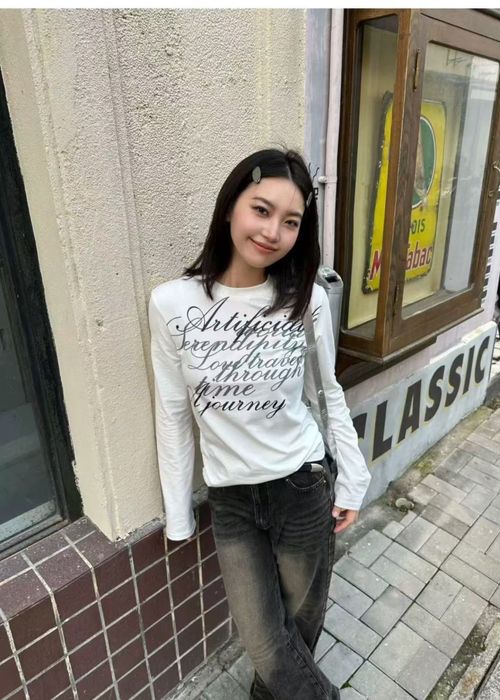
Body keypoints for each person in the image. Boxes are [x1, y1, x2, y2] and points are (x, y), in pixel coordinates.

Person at [148, 147, 371, 699]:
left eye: (291, 221)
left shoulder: (306, 300)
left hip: (302, 488)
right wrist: (178, 512)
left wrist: (353, 478)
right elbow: (172, 415)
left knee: (299, 631)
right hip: (232, 502)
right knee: (268, 644)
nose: (273, 232)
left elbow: (327, 393)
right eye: (262, 210)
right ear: (230, 208)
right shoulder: (172, 303)